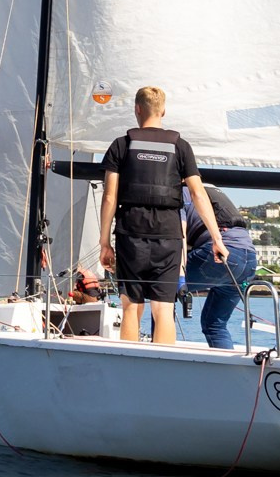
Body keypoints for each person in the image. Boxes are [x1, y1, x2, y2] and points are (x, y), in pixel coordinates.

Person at [98, 85, 214, 345]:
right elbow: (197, 193)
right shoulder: (181, 147)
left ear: (137, 110)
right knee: (162, 309)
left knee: (131, 307)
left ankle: (129, 365)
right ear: (163, 111)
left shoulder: (121, 145)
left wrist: (104, 242)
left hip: (130, 234)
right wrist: (216, 239)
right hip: (168, 236)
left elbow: (109, 197)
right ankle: (163, 367)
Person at [178, 182, 258, 349]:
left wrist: (178, 278)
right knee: (214, 324)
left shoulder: (182, 192)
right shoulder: (212, 188)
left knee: (162, 296)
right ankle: (228, 372)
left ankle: (159, 355)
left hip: (220, 254)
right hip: (249, 258)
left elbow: (180, 237)